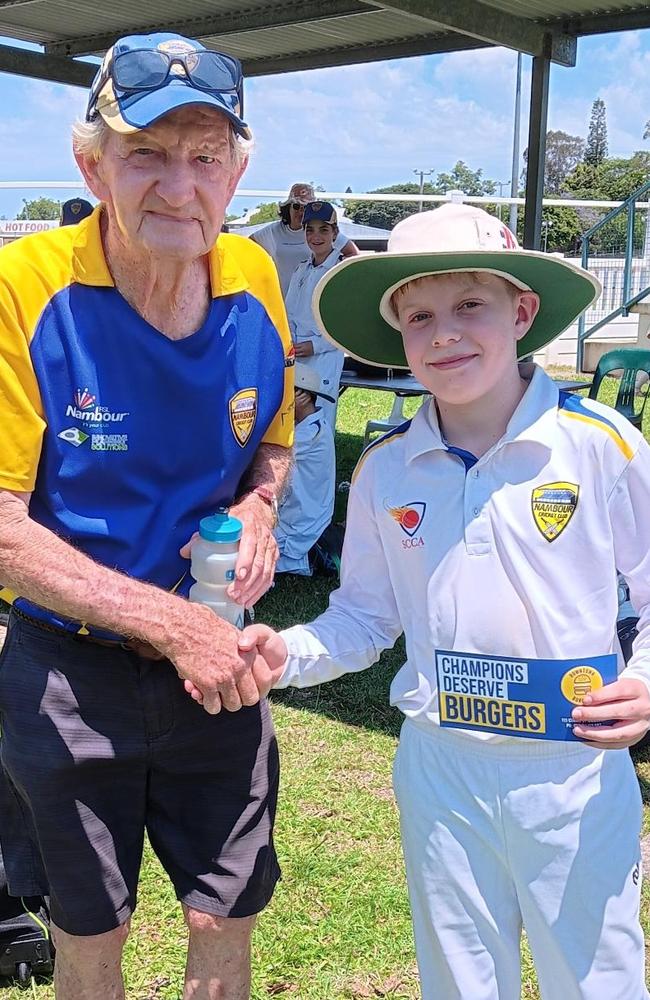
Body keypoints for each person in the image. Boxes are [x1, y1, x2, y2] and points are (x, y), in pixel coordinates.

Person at [234, 204, 650, 999]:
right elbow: (364, 616)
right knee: (458, 981)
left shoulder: (603, 444)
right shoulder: (390, 467)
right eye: (419, 316)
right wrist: (283, 654)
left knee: (595, 981)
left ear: (522, 312)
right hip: (439, 762)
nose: (444, 333)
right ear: (398, 336)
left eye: (470, 306)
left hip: (574, 767)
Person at [0, 31, 294, 1000]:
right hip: (71, 669)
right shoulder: (26, 287)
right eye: (147, 154)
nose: (180, 185)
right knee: (91, 930)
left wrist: (258, 508)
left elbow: (272, 447)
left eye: (204, 155)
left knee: (224, 913)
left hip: (215, 656)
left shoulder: (254, 279)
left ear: (237, 169)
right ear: (91, 164)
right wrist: (172, 625)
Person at [284, 201, 346, 428]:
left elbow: (345, 327)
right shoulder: (302, 269)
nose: (316, 236)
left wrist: (316, 346)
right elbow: (289, 312)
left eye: (324, 229)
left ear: (335, 233)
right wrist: (290, 341)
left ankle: (322, 465)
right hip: (297, 355)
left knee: (319, 423)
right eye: (310, 230)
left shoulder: (341, 271)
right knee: (293, 422)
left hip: (324, 357)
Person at [275, 363, 335, 576]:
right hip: (301, 511)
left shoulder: (309, 435)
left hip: (301, 520)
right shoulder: (312, 427)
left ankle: (310, 556)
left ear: (301, 397)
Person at [251, 182, 358, 295]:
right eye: (296, 206)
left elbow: (353, 254)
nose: (301, 211)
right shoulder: (272, 231)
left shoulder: (326, 233)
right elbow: (247, 248)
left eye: (306, 207)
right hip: (282, 299)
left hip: (316, 297)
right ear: (288, 208)